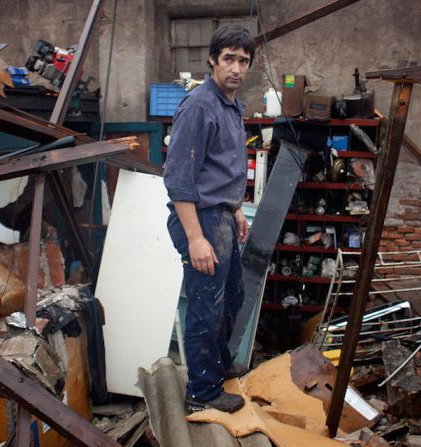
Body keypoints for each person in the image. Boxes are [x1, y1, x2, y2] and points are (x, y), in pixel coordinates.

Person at [163, 24, 254, 414]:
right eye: (229, 59)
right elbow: (179, 179)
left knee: (233, 296)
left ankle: (216, 367)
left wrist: (235, 210)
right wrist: (196, 238)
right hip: (199, 219)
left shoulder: (232, 105)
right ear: (213, 60)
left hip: (221, 216)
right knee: (206, 305)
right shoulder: (199, 105)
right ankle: (202, 391)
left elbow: (222, 167)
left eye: (244, 61)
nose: (236, 68)